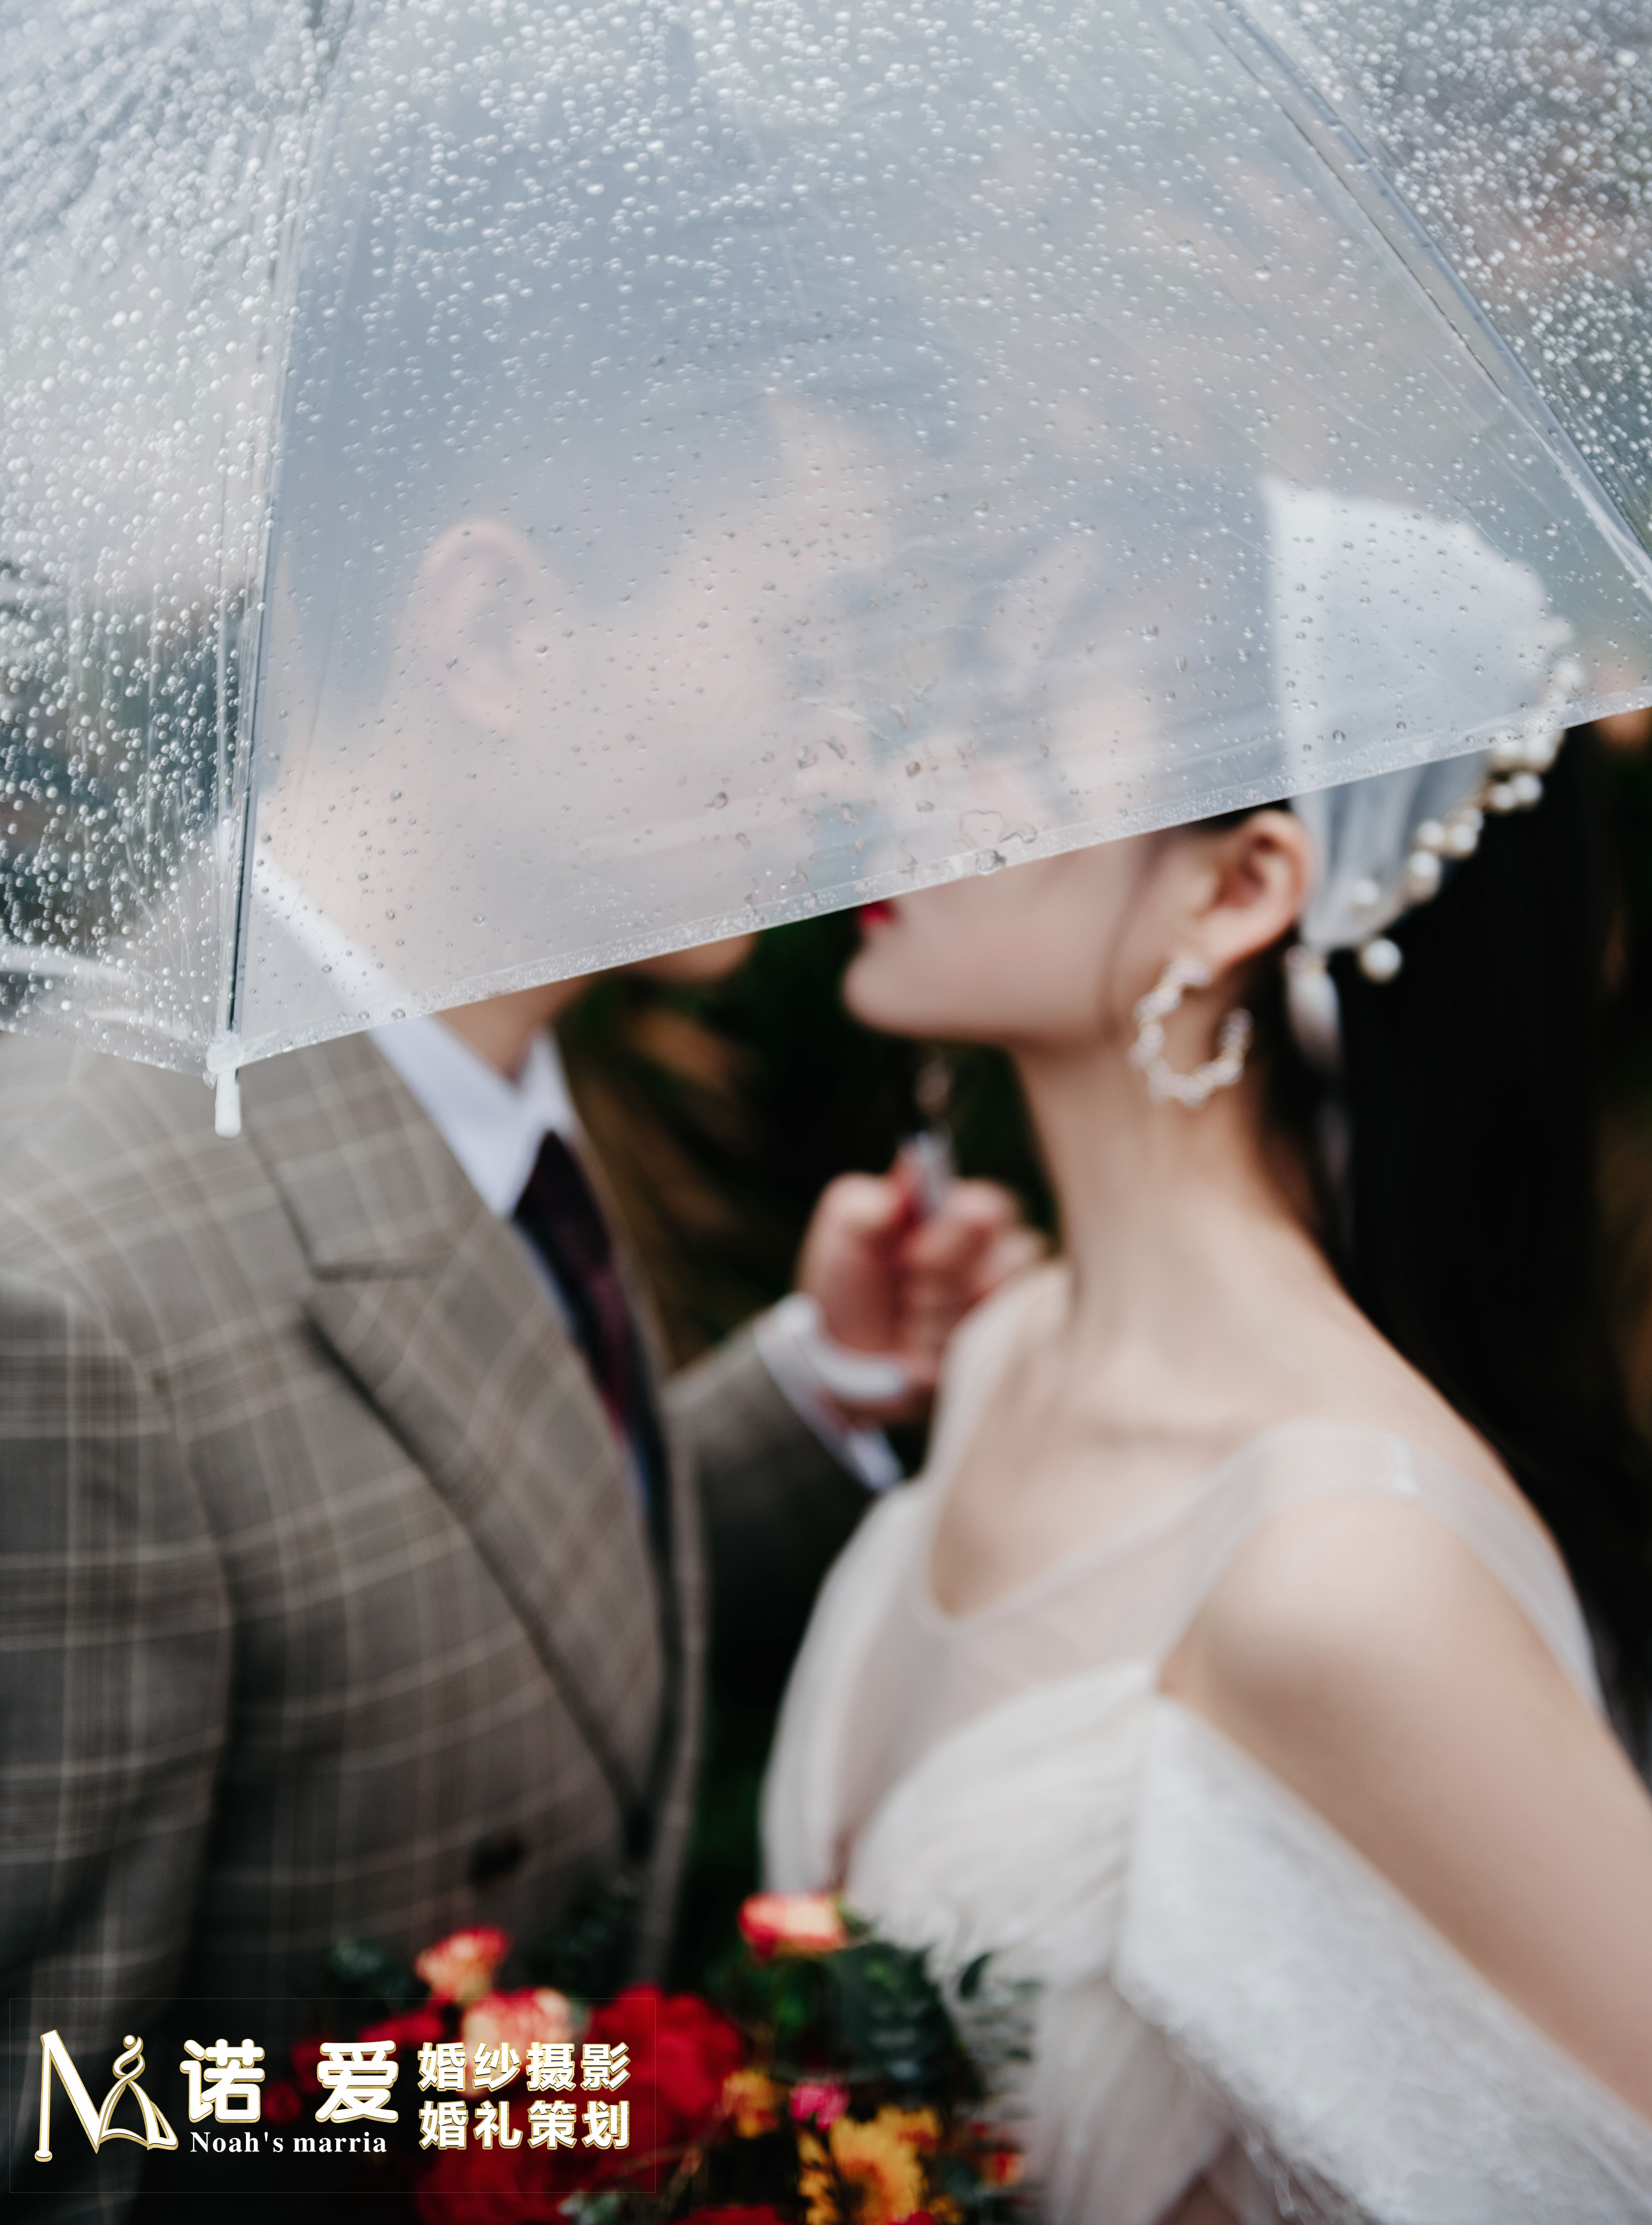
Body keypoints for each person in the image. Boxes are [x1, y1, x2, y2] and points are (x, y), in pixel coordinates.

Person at [0, 928, 1027, 2223]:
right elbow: (47, 2122)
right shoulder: (60, 1292)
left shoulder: (470, 1077)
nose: (820, 797)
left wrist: (817, 1390)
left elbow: (458, 1579)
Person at [763, 728, 1652, 2222]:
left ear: (1239, 887)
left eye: (1023, 721)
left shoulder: (1346, 1568)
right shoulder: (1003, 1353)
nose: (894, 769)